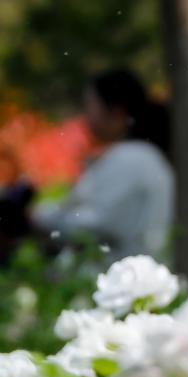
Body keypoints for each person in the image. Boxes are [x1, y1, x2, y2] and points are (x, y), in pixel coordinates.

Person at [31, 68, 174, 262]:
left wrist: (40, 218)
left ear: (116, 110)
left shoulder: (130, 157)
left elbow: (96, 223)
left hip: (119, 272)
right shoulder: (144, 156)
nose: (85, 115)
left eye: (90, 104)